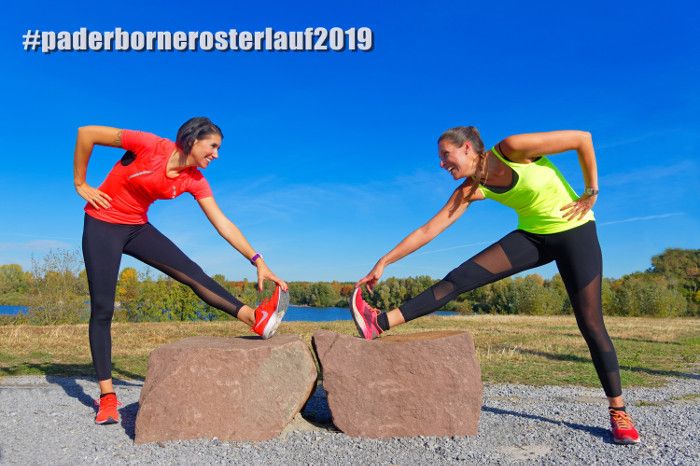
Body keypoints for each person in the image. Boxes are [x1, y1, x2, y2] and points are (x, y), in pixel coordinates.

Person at [352, 127, 640, 445]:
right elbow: (427, 230)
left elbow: (582, 139)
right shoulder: (470, 189)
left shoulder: (512, 148)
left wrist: (591, 191)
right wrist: (384, 261)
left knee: (590, 321)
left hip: (576, 231)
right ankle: (378, 322)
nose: (441, 164)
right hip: (533, 236)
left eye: (445, 155)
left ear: (466, 149)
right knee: (459, 278)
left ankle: (618, 411)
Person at [73, 117, 289, 425]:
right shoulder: (149, 145)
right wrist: (81, 183)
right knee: (103, 308)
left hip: (136, 227)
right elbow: (87, 133)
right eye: (213, 146)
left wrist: (258, 260)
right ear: (192, 139)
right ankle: (107, 397)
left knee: (192, 273)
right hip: (102, 224)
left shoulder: (194, 179)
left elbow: (223, 224)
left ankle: (255, 318)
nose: (216, 155)